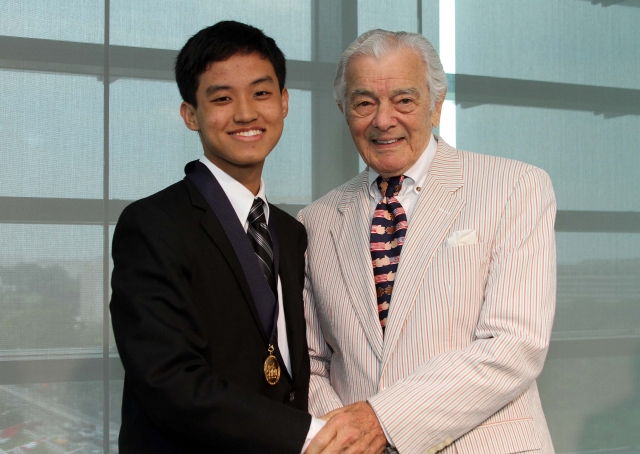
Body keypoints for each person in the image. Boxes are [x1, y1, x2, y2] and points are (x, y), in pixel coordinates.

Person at [300, 29, 556, 454]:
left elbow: (515, 345)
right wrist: (347, 436)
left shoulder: (514, 187)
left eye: (404, 100)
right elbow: (307, 363)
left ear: (436, 104)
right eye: (364, 103)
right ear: (343, 109)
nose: (383, 120)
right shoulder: (314, 221)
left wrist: (382, 419)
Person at [110, 21, 324, 453]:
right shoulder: (152, 224)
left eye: (261, 93)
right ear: (191, 114)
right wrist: (308, 435)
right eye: (222, 98)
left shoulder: (290, 232)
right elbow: (168, 380)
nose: (245, 113)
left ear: (284, 102)